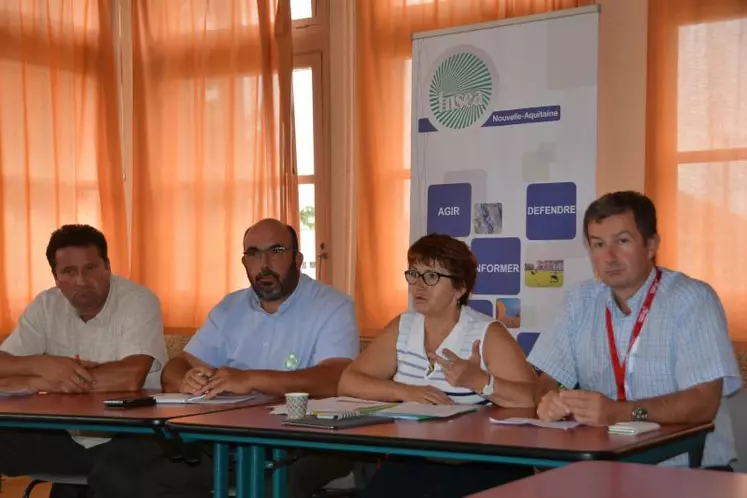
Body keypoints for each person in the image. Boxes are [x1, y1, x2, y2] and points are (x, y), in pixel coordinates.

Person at [89, 218, 360, 498]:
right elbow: (176, 366)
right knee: (116, 466)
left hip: (307, 441)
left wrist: (250, 380)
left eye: (276, 251)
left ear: (297, 259)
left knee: (265, 489)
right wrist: (186, 380)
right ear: (244, 263)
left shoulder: (333, 306)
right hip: (224, 437)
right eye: (253, 254)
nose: (263, 263)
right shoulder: (230, 308)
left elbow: (336, 377)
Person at [528, 191, 741, 470]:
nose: (609, 257)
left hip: (686, 472)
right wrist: (548, 401)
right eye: (598, 245)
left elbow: (703, 403)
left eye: (622, 241)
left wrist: (619, 413)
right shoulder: (578, 302)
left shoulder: (692, 300)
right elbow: (545, 382)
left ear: (651, 244)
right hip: (604, 470)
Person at [338, 233, 537, 498]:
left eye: (431, 277)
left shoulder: (486, 333)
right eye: (414, 274)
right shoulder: (404, 327)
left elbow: (531, 399)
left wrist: (479, 381)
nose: (418, 286)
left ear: (460, 288)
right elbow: (348, 382)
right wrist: (405, 392)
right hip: (412, 458)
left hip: (477, 464)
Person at [0, 224, 168, 498]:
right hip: (62, 434)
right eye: (69, 272)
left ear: (107, 267)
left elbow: (129, 377)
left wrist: (52, 379)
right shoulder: (46, 305)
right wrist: (41, 368)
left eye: (90, 268)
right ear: (55, 277)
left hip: (129, 438)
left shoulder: (138, 300)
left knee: (113, 476)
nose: (81, 280)